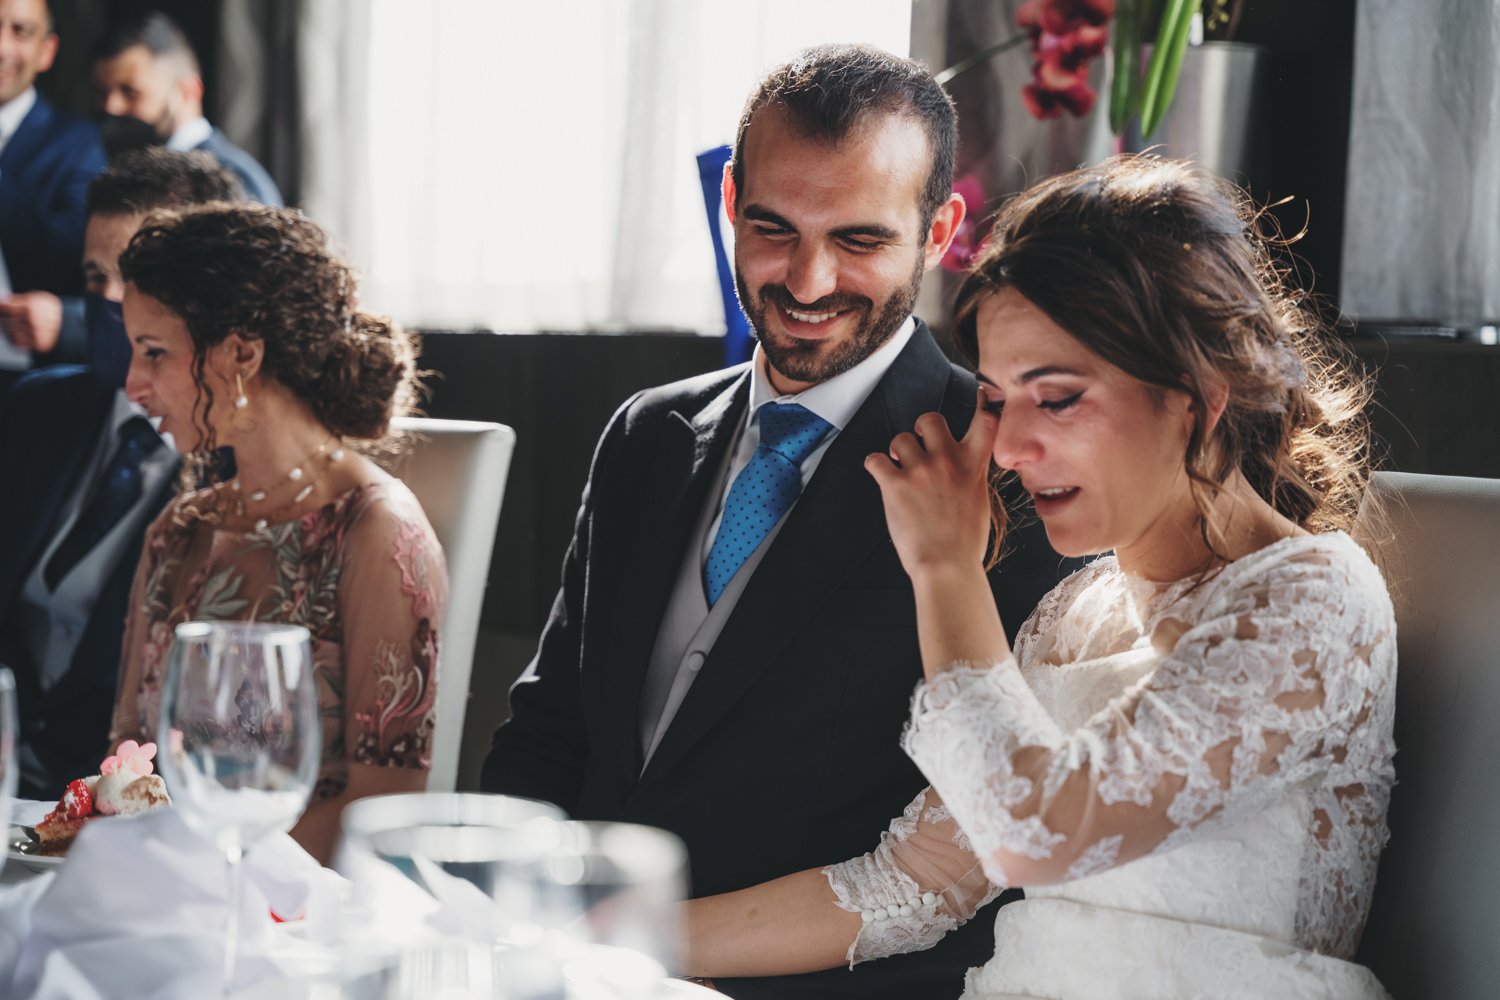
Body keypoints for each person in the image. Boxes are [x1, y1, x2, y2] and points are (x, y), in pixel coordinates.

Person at [681, 156, 1398, 998]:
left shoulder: (1310, 602)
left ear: (1201, 393)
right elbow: (910, 883)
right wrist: (603, 932)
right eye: (995, 401)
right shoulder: (1076, 613)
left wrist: (945, 567)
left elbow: (1041, 836)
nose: (1013, 452)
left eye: (1056, 399)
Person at [481, 45, 1074, 1000]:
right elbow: (550, 731)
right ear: (729, 205)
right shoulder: (645, 432)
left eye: (860, 240)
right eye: (772, 228)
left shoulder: (1007, 470)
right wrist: (499, 922)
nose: (805, 281)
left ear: (941, 231)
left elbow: (983, 845)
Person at [106, 204, 446, 865]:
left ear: (241, 353)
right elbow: (126, 760)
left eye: (154, 353)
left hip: (300, 921)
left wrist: (205, 882)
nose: (132, 385)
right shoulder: (178, 529)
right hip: (162, 901)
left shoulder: (376, 531)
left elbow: (387, 802)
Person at [0, 147, 243, 801]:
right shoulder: (37, 410)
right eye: (92, 276)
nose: (108, 299)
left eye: (132, 274)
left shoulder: (240, 470)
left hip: (129, 815)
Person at [0, 0, 107, 382]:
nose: (2, 47)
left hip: (20, 378)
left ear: (46, 51)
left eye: (20, 32)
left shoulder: (78, 144)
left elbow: (72, 257)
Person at [91, 10, 283, 207]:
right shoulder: (113, 169)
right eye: (101, 92)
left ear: (187, 91)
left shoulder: (235, 180)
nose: (110, 106)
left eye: (130, 92)